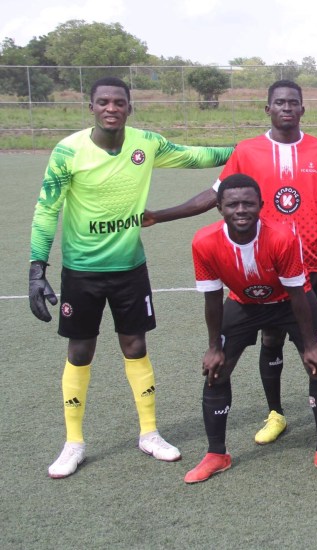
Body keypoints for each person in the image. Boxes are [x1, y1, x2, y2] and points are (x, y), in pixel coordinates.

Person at [29, 76, 233, 479]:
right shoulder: (68, 151)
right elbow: (47, 209)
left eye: (119, 102)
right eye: (103, 102)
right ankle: (73, 443)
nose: (111, 108)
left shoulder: (146, 144)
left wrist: (251, 148)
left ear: (129, 107)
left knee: (135, 345)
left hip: (130, 269)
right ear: (91, 107)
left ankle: (149, 434)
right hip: (82, 271)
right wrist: (38, 268)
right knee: (80, 351)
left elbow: (195, 156)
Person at [144, 80, 317, 444]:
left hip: (313, 262)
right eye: (279, 103)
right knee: (271, 338)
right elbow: (215, 196)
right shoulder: (247, 150)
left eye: (293, 103)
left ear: (303, 109)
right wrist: (161, 215)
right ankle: (276, 413)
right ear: (267, 109)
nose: (286, 108)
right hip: (263, 267)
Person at [185, 174, 317, 483]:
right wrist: (214, 347)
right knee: (216, 369)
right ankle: (216, 454)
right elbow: (213, 300)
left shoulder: (281, 237)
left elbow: (297, 294)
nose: (241, 210)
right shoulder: (204, 241)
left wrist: (310, 344)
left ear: (261, 206)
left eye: (248, 203)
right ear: (219, 207)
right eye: (232, 204)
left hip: (290, 302)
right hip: (243, 303)